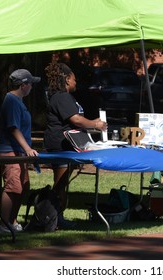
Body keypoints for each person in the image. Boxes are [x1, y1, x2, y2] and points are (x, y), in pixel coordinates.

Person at [44, 62, 107, 229]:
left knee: (63, 183)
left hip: (67, 145)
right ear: (66, 79)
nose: (76, 82)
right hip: (60, 146)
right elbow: (76, 119)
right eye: (74, 79)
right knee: (60, 184)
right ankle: (55, 219)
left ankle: (57, 217)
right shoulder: (61, 97)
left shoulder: (64, 97)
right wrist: (95, 124)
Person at [0, 69, 40, 233]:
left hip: (18, 152)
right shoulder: (11, 100)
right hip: (8, 151)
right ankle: (3, 225)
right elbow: (13, 128)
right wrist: (27, 149)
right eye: (31, 84)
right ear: (23, 84)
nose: (32, 87)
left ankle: (12, 221)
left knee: (23, 187)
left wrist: (26, 150)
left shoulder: (18, 101)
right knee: (13, 187)